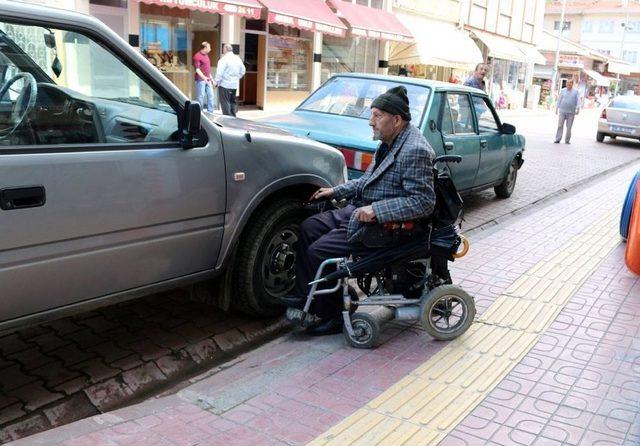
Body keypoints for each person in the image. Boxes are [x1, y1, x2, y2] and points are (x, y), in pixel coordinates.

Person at [280, 86, 436, 336]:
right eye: (371, 114)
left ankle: (330, 315)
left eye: (377, 116)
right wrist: (337, 191)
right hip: (358, 211)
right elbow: (368, 180)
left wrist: (376, 209)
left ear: (396, 120)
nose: (370, 122)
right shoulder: (389, 141)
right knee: (309, 227)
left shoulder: (414, 150)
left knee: (318, 251)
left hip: (385, 227)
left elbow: (423, 202)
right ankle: (309, 295)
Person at [213, 43, 246, 117]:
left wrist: (216, 83)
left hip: (224, 85)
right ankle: (233, 120)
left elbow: (219, 73)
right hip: (234, 85)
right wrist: (237, 78)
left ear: (225, 49)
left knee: (225, 104)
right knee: (232, 103)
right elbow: (243, 71)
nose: (222, 50)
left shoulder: (223, 59)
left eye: (223, 49)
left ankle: (227, 121)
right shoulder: (237, 59)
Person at [555, 78, 581, 144]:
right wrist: (556, 108)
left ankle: (567, 140)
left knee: (569, 127)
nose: (568, 84)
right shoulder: (563, 90)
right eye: (567, 83)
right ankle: (558, 139)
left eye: (570, 83)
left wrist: (578, 108)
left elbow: (578, 100)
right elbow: (559, 99)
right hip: (562, 110)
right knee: (560, 125)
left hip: (571, 112)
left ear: (572, 84)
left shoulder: (576, 92)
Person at [193, 42, 214, 113]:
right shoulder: (197, 56)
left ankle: (210, 112)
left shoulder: (206, 56)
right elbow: (197, 69)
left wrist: (212, 79)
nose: (210, 49)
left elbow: (207, 69)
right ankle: (200, 112)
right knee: (201, 96)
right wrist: (204, 78)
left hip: (208, 79)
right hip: (201, 80)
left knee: (211, 95)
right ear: (205, 48)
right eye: (209, 47)